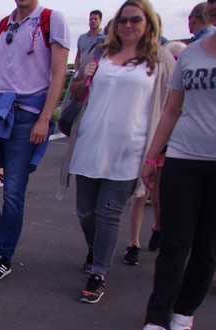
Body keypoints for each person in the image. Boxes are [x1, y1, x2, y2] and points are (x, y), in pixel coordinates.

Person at [57, 0, 174, 304]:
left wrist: (156, 152)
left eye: (135, 20)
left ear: (148, 23)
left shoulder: (159, 58)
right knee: (86, 212)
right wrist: (83, 77)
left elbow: (172, 104)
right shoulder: (101, 52)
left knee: (108, 212)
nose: (128, 25)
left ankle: (98, 273)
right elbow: (76, 92)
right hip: (90, 144)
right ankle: (96, 248)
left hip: (130, 149)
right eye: (123, 20)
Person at [132, 3, 216, 330]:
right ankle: (156, 321)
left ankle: (185, 308)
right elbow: (171, 109)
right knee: (174, 241)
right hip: (183, 157)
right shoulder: (191, 54)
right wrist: (152, 156)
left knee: (207, 245)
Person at [0, 0, 70, 282]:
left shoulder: (51, 20)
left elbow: (59, 73)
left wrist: (45, 118)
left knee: (13, 189)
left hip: (27, 113)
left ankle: (3, 254)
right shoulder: (2, 25)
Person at [123, 39, 186, 265]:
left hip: (170, 145)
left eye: (178, 60)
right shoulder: (151, 81)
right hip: (149, 141)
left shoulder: (182, 87)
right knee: (140, 195)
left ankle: (159, 228)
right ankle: (133, 243)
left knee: (159, 195)